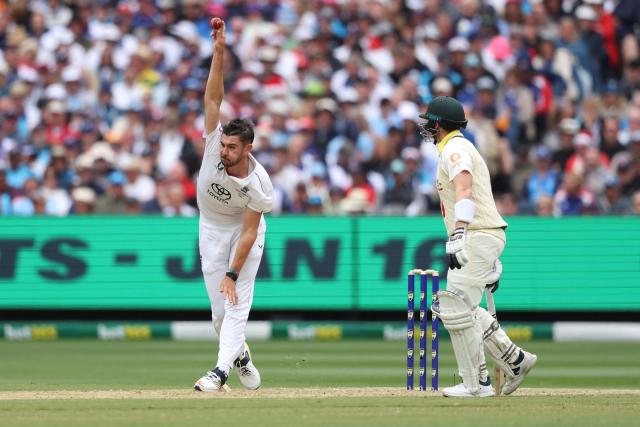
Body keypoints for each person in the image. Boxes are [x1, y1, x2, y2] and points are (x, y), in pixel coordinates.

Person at [418, 96, 536, 398]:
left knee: (454, 305)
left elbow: (464, 189)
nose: (427, 127)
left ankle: (475, 384)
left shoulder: (455, 149)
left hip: (477, 233)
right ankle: (515, 359)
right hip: (482, 235)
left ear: (440, 124)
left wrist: (460, 232)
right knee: (464, 307)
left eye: (430, 121)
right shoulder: (455, 147)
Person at [193, 18, 273, 393]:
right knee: (218, 312)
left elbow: (250, 230)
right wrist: (219, 50)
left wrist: (232, 272)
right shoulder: (213, 142)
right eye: (222, 145)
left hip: (242, 235)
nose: (223, 152)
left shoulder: (258, 185)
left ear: (247, 149)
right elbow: (213, 98)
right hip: (210, 227)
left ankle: (220, 372)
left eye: (231, 148)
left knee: (236, 303)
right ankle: (238, 354)